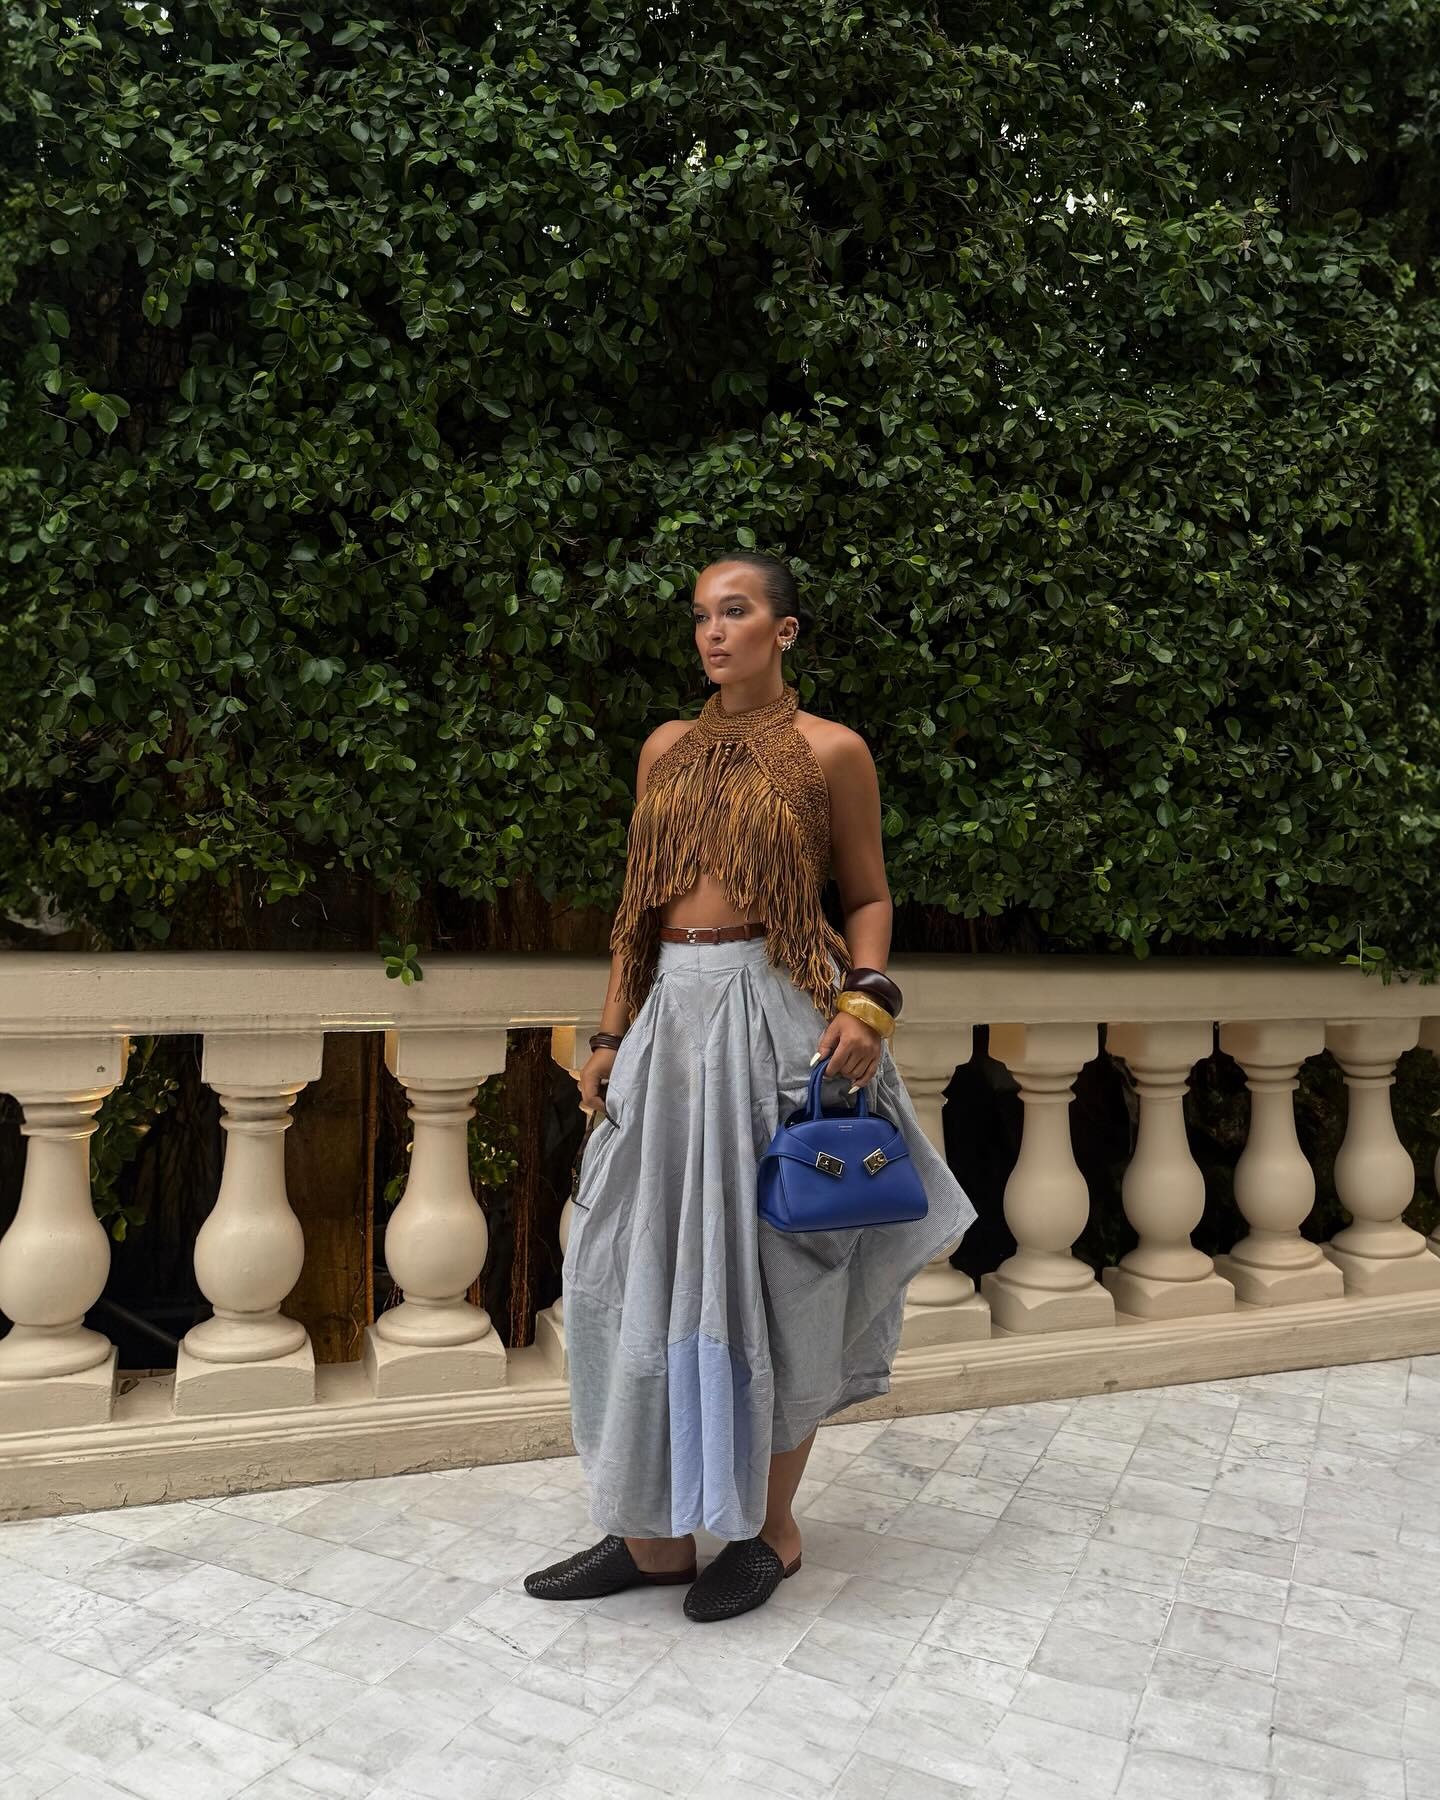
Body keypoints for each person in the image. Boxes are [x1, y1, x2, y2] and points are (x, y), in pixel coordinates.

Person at [524, 552, 977, 1622]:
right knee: (627, 1260)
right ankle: (652, 1537)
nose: (712, 634)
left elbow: (866, 897)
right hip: (667, 1023)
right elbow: (635, 913)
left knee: (780, 1271)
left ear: (786, 630)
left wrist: (866, 1006)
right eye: (700, 618)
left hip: (777, 1010)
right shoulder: (666, 752)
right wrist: (604, 1035)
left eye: (736, 613)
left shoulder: (832, 754)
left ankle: (772, 1532)